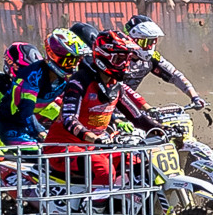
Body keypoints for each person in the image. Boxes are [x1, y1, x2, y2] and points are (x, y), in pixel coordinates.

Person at [45, 32, 159, 183]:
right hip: (62, 148)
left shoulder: (115, 85)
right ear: (104, 57)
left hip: (95, 148)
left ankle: (135, 199)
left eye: (128, 59)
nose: (125, 64)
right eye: (120, 59)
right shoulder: (79, 81)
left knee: (138, 161)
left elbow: (137, 116)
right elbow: (69, 119)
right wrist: (94, 138)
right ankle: (98, 200)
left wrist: (161, 128)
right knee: (104, 169)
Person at [120, 17, 202, 105]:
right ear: (132, 39)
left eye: (152, 42)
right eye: (144, 42)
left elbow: (176, 75)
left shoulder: (152, 58)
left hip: (125, 103)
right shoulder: (116, 55)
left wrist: (195, 97)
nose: (149, 46)